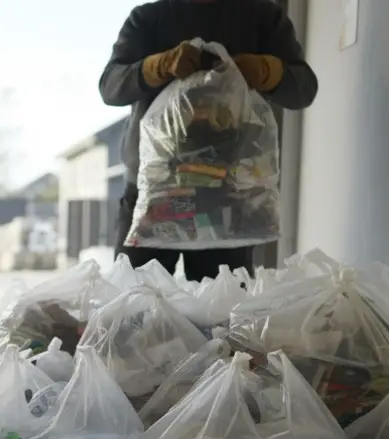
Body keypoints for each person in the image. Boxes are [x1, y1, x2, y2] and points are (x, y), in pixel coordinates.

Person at [99, 0, 317, 281]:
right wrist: (159, 65)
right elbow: (111, 86)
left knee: (220, 314)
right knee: (133, 309)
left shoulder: (262, 17)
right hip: (153, 191)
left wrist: (267, 70)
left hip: (228, 198)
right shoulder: (149, 18)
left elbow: (303, 88)